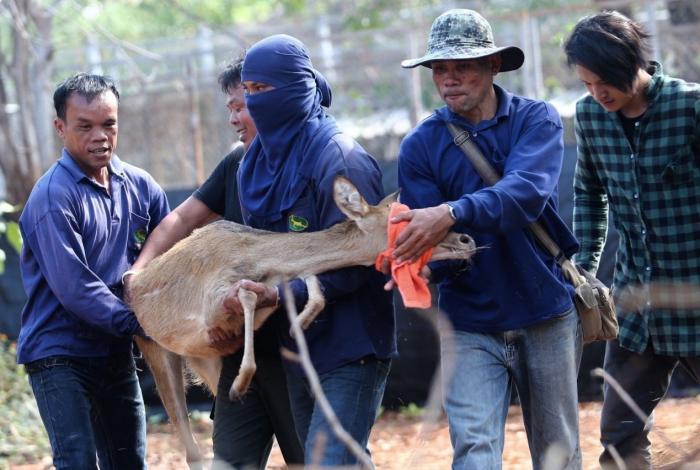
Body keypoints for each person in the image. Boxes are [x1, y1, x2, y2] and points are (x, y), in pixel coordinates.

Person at [393, 9, 583, 469]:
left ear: (493, 66)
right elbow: (435, 242)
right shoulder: (419, 146)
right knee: (474, 451)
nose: (449, 79)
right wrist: (410, 262)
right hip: (469, 322)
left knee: (558, 454)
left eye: (463, 67)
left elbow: (526, 194)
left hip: (545, 314)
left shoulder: (535, 120)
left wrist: (453, 212)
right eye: (440, 69)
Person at [221, 34, 396, 467]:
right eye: (251, 92)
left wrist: (281, 294)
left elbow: (363, 260)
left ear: (300, 87)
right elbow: (259, 249)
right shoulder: (254, 164)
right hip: (296, 348)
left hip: (350, 345)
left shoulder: (340, 160)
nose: (257, 102)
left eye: (267, 90)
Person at [127, 55, 304, 469]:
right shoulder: (237, 163)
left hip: (299, 350)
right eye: (231, 108)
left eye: (243, 105)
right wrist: (140, 272)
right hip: (240, 351)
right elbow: (182, 218)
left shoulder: (313, 159)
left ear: (275, 99)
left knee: (309, 456)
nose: (235, 118)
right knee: (230, 460)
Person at [564, 11, 700, 469]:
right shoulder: (589, 117)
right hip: (635, 304)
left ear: (631, 63)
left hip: (694, 293)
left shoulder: (690, 106)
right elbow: (588, 190)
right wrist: (584, 265)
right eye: (587, 84)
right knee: (620, 432)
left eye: (604, 81)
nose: (597, 93)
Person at [15, 73, 169, 470]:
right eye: (85, 126)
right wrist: (143, 323)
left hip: (114, 350)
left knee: (129, 462)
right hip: (60, 355)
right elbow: (77, 288)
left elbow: (171, 248)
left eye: (109, 123)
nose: (100, 136)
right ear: (61, 128)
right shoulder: (53, 198)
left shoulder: (141, 186)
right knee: (78, 462)